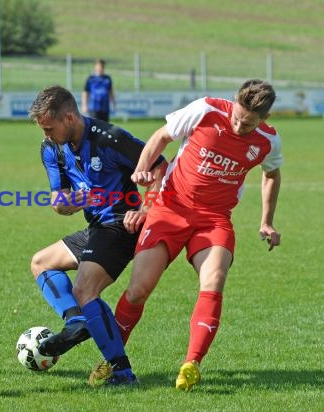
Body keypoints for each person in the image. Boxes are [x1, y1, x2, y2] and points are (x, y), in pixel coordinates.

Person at [90, 79, 282, 390]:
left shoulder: (267, 141)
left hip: (214, 219)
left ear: (265, 119)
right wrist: (142, 167)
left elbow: (272, 174)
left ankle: (192, 363)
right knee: (138, 290)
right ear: (233, 101)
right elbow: (161, 136)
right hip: (169, 209)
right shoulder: (205, 110)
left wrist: (267, 221)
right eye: (237, 116)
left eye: (248, 123)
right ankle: (114, 361)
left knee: (214, 279)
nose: (238, 125)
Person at [29, 85, 167, 386]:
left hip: (120, 226)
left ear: (68, 118)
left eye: (49, 128)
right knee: (41, 263)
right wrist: (67, 203)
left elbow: (160, 167)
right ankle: (76, 320)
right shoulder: (51, 148)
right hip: (96, 229)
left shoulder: (110, 139)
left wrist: (145, 209)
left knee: (85, 290)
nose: (46, 135)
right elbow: (59, 199)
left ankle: (122, 373)